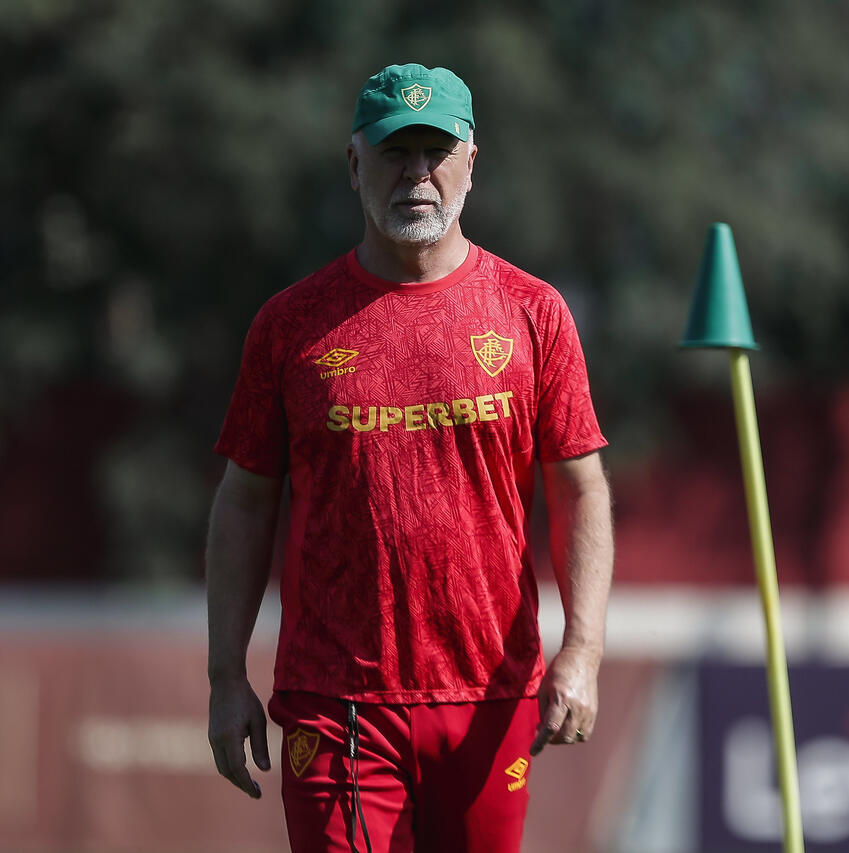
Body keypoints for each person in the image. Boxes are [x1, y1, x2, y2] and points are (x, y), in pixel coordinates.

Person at [206, 62, 614, 853]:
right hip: (337, 703)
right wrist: (226, 676)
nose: (416, 174)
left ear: (471, 160)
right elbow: (244, 501)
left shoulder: (534, 313)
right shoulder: (290, 326)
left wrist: (584, 649)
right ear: (356, 166)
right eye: (395, 152)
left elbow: (581, 489)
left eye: (435, 152)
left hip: (490, 697)